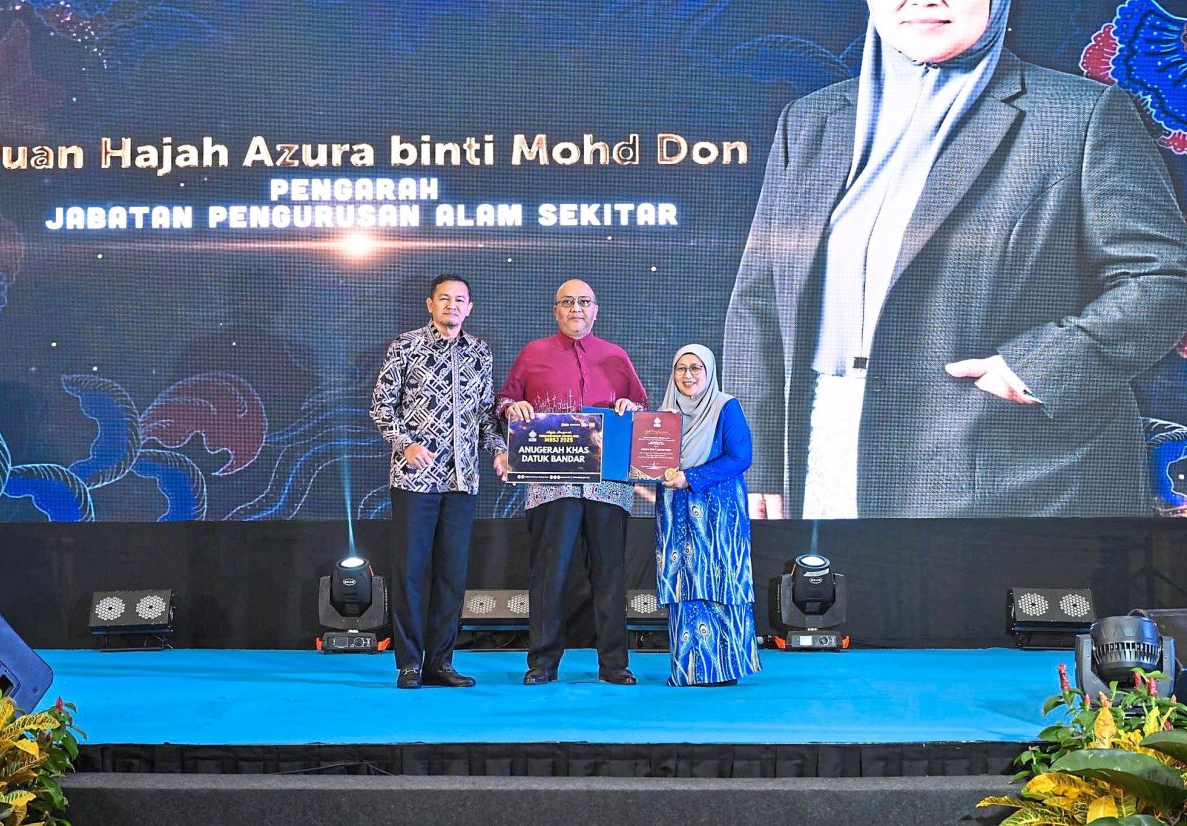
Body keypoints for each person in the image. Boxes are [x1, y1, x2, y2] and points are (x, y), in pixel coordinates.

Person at [725, 0, 1187, 519]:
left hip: (1013, 466)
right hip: (820, 448)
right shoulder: (808, 121)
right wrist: (755, 456)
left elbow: (1162, 280)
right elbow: (759, 301)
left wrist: (1035, 368)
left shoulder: (1082, 115)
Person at [496, 279, 648, 685]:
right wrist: (515, 407)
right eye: (567, 302)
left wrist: (629, 407)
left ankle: (614, 664)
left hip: (607, 485)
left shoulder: (616, 356)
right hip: (551, 482)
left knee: (611, 575)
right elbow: (504, 403)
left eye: (583, 302)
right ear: (555, 310)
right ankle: (542, 663)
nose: (576, 308)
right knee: (550, 574)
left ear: (595, 310)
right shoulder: (533, 354)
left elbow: (642, 410)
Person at [370, 274, 507, 689]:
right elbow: (381, 406)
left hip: (463, 481)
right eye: (444, 299)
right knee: (411, 572)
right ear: (430, 304)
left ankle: (440, 663)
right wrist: (405, 444)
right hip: (415, 480)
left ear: (470, 308)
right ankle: (409, 663)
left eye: (460, 299)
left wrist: (500, 450)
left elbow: (485, 417)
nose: (452, 305)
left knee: (451, 574)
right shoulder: (405, 346)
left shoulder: (480, 353)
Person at [657, 345, 762, 687]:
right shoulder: (663, 414)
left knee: (720, 581)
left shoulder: (725, 406)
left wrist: (692, 477)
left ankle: (725, 668)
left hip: (719, 510)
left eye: (696, 368)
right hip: (676, 510)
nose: (688, 375)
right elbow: (648, 459)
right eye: (681, 368)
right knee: (684, 583)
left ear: (709, 372)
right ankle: (687, 670)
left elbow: (740, 456)